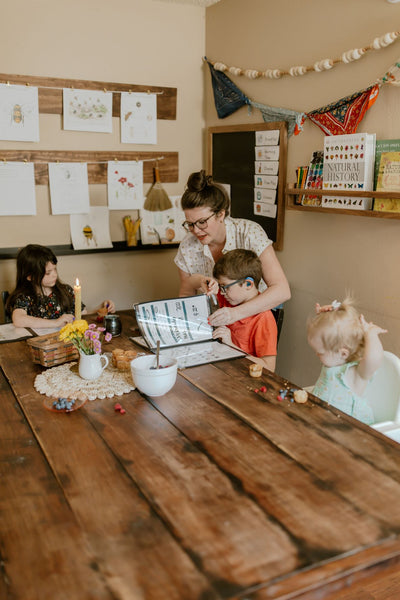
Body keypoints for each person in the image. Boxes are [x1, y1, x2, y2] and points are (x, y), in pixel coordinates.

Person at [174, 170, 290, 327]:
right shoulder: (187, 246)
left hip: (255, 320)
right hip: (216, 324)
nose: (195, 230)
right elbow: (187, 291)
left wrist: (235, 314)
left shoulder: (249, 233)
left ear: (220, 214)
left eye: (202, 222)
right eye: (190, 224)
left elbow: (282, 290)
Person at [307, 297, 387, 424]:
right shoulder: (332, 363)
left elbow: (374, 360)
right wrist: (328, 316)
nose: (316, 354)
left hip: (350, 429)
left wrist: (371, 334)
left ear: (343, 353)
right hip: (323, 421)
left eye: (320, 352)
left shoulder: (355, 373)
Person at [6, 244, 115, 329]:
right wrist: (55, 323)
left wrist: (102, 309)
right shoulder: (24, 297)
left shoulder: (65, 290)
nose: (54, 274)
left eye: (55, 269)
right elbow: (19, 319)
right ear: (30, 277)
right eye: (48, 273)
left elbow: (82, 314)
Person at [212, 249, 278, 371]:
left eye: (225, 287)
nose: (221, 292)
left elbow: (269, 368)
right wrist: (205, 282)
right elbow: (195, 283)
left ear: (248, 284)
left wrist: (231, 346)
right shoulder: (231, 299)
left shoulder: (263, 320)